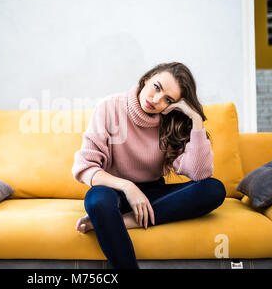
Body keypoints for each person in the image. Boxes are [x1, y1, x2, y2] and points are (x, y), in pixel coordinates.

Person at [71, 62, 226, 269]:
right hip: (113, 192)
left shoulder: (171, 122)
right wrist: (128, 186)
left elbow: (200, 173)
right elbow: (84, 167)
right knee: (98, 201)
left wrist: (196, 120)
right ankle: (110, 220)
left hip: (152, 194)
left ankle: (124, 221)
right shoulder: (109, 107)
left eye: (168, 99)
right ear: (147, 79)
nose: (156, 99)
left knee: (213, 189)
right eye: (157, 87)